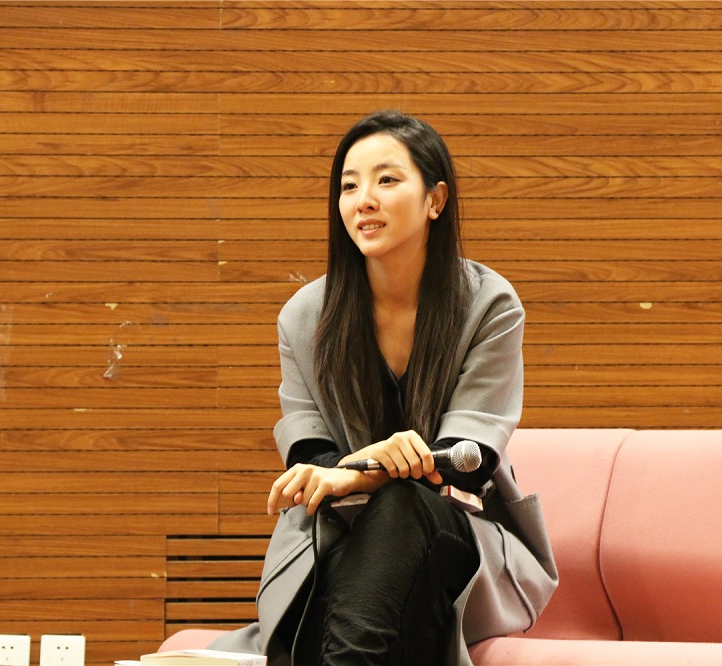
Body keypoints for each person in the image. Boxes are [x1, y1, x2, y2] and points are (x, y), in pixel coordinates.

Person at [211, 110, 558, 665]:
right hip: (339, 542)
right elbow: (310, 461)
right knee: (383, 601)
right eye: (349, 186)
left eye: (387, 180)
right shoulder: (305, 317)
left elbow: (466, 460)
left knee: (404, 504)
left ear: (435, 200)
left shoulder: (489, 304)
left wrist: (360, 471)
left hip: (456, 541)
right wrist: (365, 464)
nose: (364, 201)